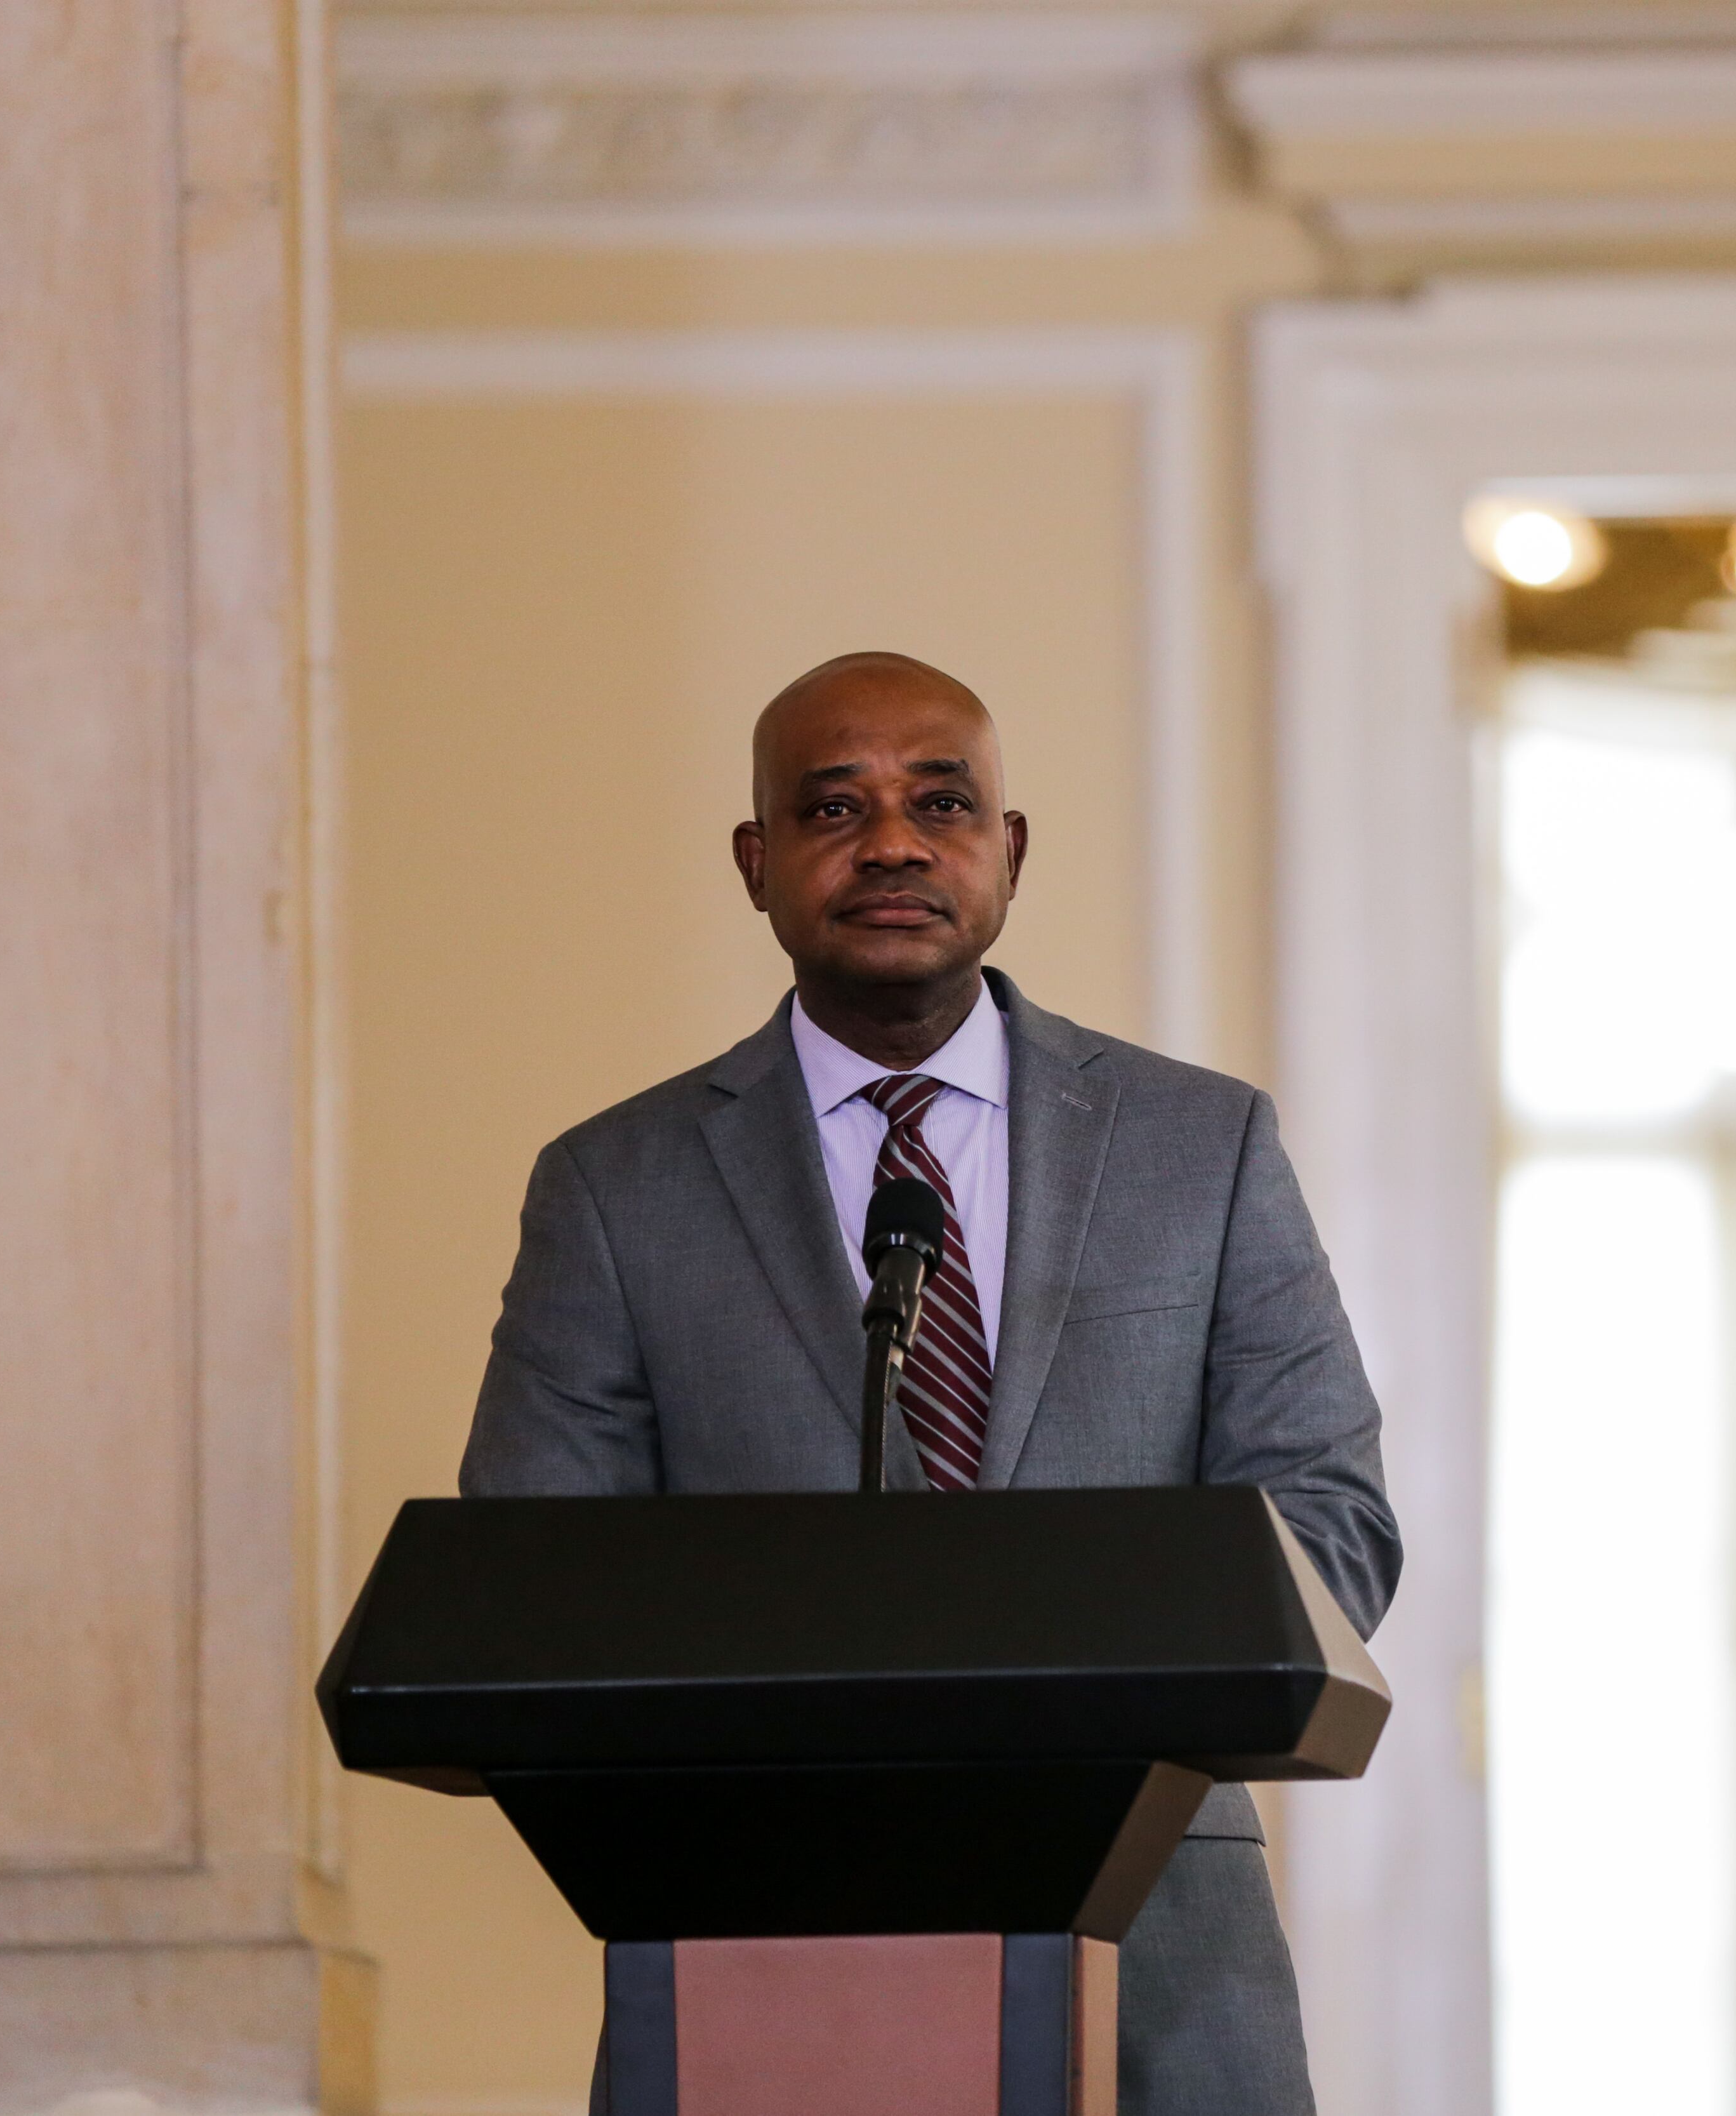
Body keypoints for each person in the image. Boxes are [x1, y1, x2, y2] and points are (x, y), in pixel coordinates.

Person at [460, 650, 1399, 2116]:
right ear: (756, 861)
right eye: (834, 805)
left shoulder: (1198, 1146)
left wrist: (1064, 1673)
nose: (892, 840)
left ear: (1007, 851)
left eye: (940, 801)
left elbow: (1328, 1519)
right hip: (754, 1948)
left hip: (1155, 1948)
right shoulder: (613, 1186)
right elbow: (540, 1569)